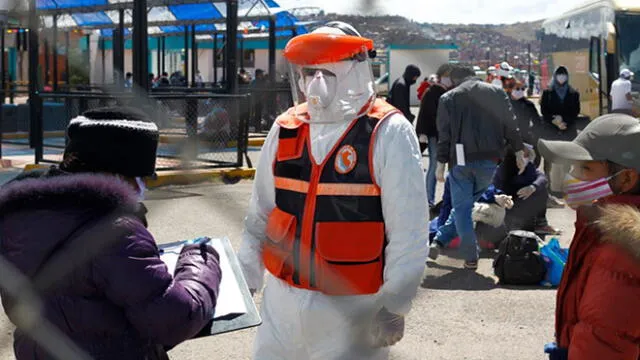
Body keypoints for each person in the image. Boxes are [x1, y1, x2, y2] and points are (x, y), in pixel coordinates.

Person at [238, 21, 428, 360]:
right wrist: (247, 280)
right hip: (281, 305)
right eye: (309, 72)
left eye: (327, 70)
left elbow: (409, 229)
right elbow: (260, 214)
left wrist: (394, 304)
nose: (316, 82)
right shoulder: (286, 128)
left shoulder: (388, 130)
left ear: (354, 68)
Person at [0, 107, 222, 359]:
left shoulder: (18, 214)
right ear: (116, 174)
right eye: (140, 177)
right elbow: (175, 319)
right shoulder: (116, 231)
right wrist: (201, 260)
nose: (143, 186)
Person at [539, 113, 640, 360]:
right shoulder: (601, 225)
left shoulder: (621, 250)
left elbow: (604, 341)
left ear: (626, 178)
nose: (572, 176)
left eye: (585, 167)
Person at [429, 64, 526, 269]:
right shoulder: (496, 93)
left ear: (455, 80)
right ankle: (439, 240)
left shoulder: (448, 98)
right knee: (464, 206)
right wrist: (518, 152)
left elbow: (444, 135)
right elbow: (510, 124)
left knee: (462, 208)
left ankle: (470, 254)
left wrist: (440, 164)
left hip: (460, 160)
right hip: (489, 161)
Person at [416, 64, 453, 208]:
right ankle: (428, 199)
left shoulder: (449, 92)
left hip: (445, 136)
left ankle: (441, 199)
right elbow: (425, 114)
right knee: (435, 165)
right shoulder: (432, 92)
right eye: (446, 76)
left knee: (441, 167)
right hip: (435, 135)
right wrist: (422, 132)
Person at [540, 66, 580, 141]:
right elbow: (543, 110)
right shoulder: (547, 93)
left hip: (568, 131)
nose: (561, 77)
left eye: (564, 75)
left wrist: (565, 121)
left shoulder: (574, 93)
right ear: (555, 76)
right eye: (559, 74)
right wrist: (554, 120)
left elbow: (576, 111)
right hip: (551, 131)